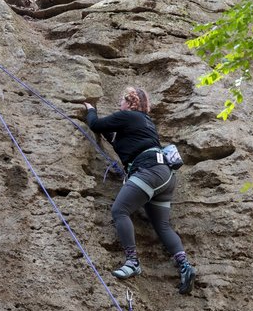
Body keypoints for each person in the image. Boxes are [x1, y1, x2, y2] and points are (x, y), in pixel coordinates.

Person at [84, 87, 196, 295]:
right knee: (162, 225)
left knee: (120, 210)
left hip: (149, 172)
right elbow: (116, 140)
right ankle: (184, 265)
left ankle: (132, 262)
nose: (119, 104)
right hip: (165, 176)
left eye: (122, 100)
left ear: (129, 103)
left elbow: (96, 124)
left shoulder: (127, 116)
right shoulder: (145, 122)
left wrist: (90, 109)